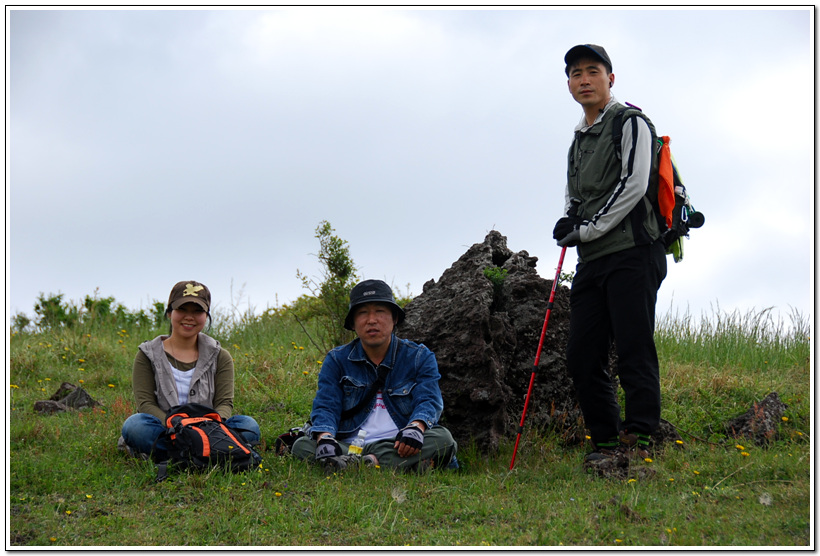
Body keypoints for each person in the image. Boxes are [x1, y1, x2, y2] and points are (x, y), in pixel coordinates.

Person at [552, 45, 667, 466]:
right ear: (568, 84)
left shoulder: (631, 122)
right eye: (575, 73)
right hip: (593, 260)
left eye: (593, 71)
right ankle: (604, 440)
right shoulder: (579, 137)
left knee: (634, 345)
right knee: (583, 354)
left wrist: (588, 228)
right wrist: (569, 222)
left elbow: (633, 185)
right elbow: (575, 194)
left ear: (610, 79)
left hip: (634, 252)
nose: (584, 79)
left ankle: (640, 435)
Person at [292, 279, 458, 473]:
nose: (372, 320)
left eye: (380, 311)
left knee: (443, 439)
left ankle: (358, 465)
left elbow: (429, 400)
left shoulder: (419, 356)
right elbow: (326, 404)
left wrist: (416, 427)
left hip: (401, 443)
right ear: (353, 323)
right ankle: (396, 466)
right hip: (350, 446)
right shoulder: (337, 359)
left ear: (394, 318)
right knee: (302, 446)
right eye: (362, 313)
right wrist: (325, 438)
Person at [119, 281, 261, 460]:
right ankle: (209, 454)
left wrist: (209, 426)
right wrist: (177, 427)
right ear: (170, 313)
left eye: (197, 311)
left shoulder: (220, 356)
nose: (189, 317)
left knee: (248, 425)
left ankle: (173, 454)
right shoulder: (147, 355)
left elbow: (224, 403)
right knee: (135, 426)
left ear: (206, 316)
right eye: (182, 309)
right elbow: (145, 404)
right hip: (166, 428)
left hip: (210, 428)